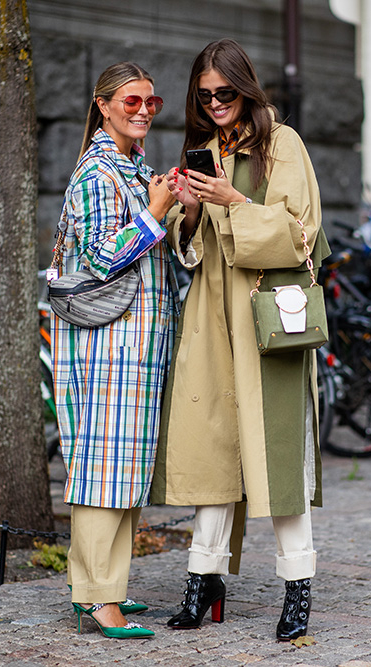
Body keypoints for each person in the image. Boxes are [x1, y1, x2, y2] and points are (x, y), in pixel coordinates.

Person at [151, 38, 327, 641]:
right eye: (205, 96)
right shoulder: (206, 149)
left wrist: (234, 200)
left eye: (225, 93)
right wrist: (193, 210)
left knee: (275, 457)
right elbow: (188, 247)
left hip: (266, 323)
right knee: (212, 452)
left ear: (246, 89)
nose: (216, 104)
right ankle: (204, 582)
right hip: (211, 321)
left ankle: (297, 588)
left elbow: (302, 232)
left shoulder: (283, 143)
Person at [51, 61, 177, 639]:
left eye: (151, 102)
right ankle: (99, 598)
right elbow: (103, 257)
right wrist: (153, 214)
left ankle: (104, 590)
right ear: (102, 105)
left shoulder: (131, 166)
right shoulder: (97, 172)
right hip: (107, 346)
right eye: (131, 102)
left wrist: (176, 210)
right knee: (103, 469)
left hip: (133, 345)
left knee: (122, 466)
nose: (144, 110)